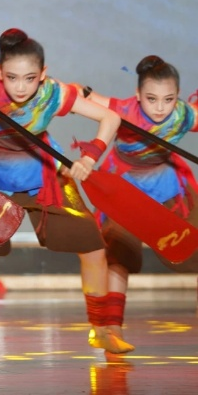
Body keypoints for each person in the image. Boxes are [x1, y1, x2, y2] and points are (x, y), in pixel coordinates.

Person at [0, 28, 134, 364]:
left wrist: (90, 157)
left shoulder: (55, 93)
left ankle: (101, 328)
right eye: (12, 78)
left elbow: (110, 117)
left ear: (43, 74)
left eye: (30, 78)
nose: (20, 87)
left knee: (92, 245)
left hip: (43, 174)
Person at [79, 55, 198, 344]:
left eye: (168, 99)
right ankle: (113, 329)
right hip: (125, 188)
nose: (160, 108)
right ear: (137, 95)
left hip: (167, 184)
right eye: (151, 99)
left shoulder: (184, 115)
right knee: (120, 253)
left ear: (178, 96)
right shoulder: (123, 110)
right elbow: (79, 97)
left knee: (194, 244)